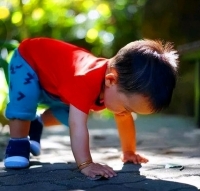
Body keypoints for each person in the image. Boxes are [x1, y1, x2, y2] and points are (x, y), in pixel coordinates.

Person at [4, 37, 178, 179]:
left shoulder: (114, 85)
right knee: (23, 101)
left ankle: (36, 123)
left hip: (55, 85)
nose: (126, 114)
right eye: (127, 108)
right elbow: (77, 126)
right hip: (28, 62)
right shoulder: (85, 80)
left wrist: (129, 152)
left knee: (67, 112)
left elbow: (123, 118)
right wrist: (86, 164)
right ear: (111, 80)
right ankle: (18, 143)